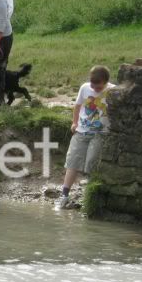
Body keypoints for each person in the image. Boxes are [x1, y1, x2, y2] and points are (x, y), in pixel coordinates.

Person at [56, 66, 115, 210]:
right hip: (81, 130)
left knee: (91, 162)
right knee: (72, 161)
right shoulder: (84, 88)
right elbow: (77, 106)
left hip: (100, 133)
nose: (95, 89)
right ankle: (64, 195)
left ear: (106, 82)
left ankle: (89, 196)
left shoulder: (113, 91)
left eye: (98, 87)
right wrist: (74, 122)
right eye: (93, 86)